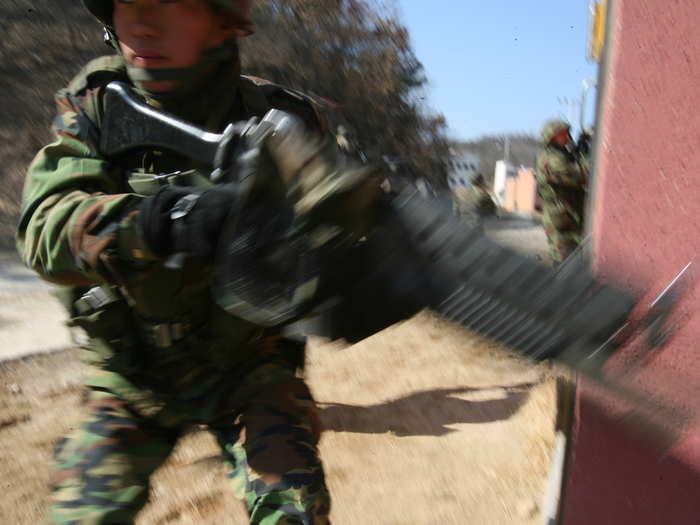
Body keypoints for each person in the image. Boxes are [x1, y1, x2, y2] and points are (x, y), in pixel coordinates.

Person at [16, 1, 375, 522]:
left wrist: (339, 250)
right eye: (126, 5)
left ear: (222, 22)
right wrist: (161, 222)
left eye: (167, 3)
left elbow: (338, 246)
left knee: (293, 511)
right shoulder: (93, 109)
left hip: (248, 368)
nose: (140, 22)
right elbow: (45, 228)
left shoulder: (283, 122)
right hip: (131, 375)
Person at [534, 119, 588, 264]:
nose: (567, 137)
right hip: (562, 219)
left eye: (567, 133)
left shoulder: (562, 155)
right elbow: (580, 176)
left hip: (569, 215)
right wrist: (587, 156)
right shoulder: (551, 159)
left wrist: (580, 150)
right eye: (562, 134)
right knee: (565, 262)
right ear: (551, 138)